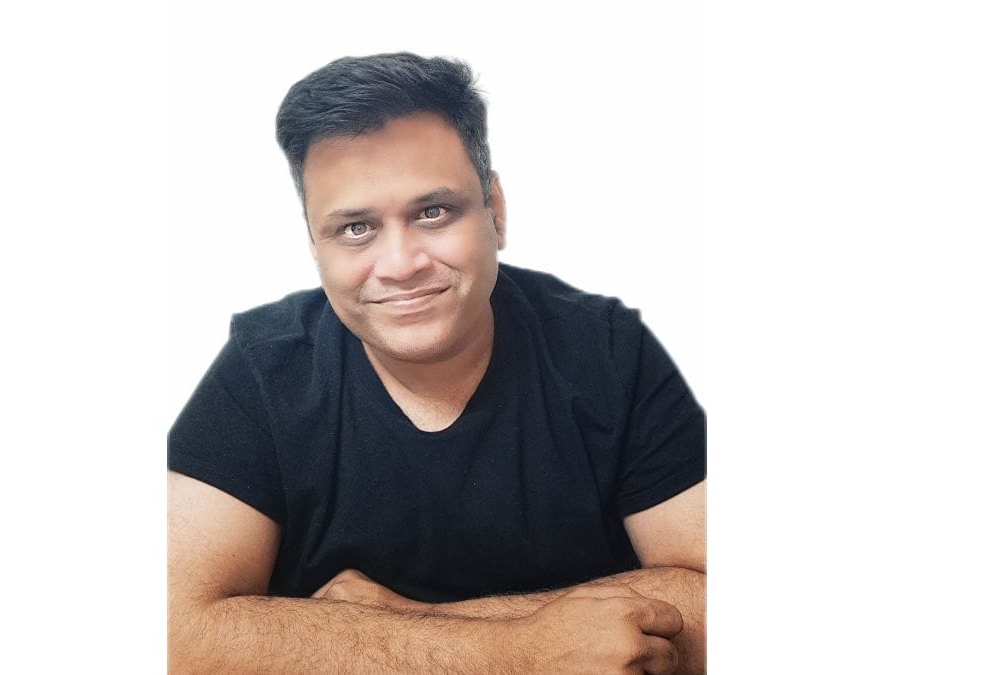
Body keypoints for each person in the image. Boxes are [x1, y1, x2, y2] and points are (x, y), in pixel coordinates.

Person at [168, 52, 706, 673]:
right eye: (355, 228)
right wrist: (517, 652)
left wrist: (408, 623)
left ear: (495, 211)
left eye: (433, 212)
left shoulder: (608, 352)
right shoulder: (263, 370)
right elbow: (176, 634)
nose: (401, 265)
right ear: (313, 241)